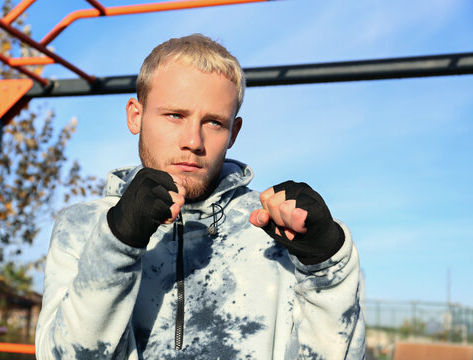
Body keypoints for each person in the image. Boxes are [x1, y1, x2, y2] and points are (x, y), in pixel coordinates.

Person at [35, 34, 365, 359]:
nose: (193, 140)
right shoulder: (84, 226)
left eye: (213, 123)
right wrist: (117, 243)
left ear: (233, 133)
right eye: (175, 115)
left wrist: (326, 264)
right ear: (135, 115)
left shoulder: (275, 232)